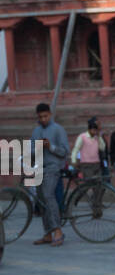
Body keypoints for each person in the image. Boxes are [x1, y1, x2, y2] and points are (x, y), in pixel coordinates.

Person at [30, 103, 69, 247]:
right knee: (41, 200)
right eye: (40, 117)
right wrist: (39, 147)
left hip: (53, 168)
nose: (43, 119)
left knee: (48, 195)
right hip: (40, 167)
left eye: (45, 116)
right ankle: (47, 233)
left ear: (50, 115)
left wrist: (50, 147)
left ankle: (58, 231)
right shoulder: (36, 131)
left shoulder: (58, 130)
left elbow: (65, 151)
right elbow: (31, 152)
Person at [71, 117, 108, 216]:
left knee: (98, 188)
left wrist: (99, 137)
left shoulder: (97, 138)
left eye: (95, 130)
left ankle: (97, 210)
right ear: (89, 129)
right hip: (86, 165)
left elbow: (102, 147)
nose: (94, 132)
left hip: (96, 164)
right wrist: (74, 161)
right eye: (92, 130)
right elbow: (76, 149)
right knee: (89, 184)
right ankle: (77, 197)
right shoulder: (82, 137)